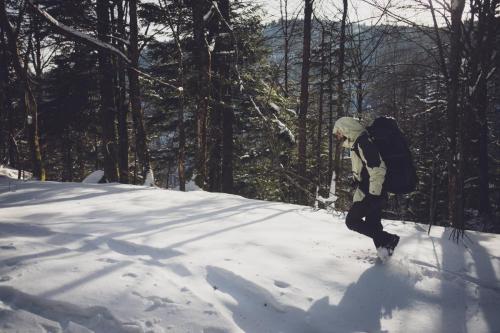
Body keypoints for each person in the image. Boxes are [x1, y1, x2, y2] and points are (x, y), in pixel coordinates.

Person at [333, 116, 399, 258]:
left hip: (374, 192)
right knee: (373, 223)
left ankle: (389, 240)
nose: (338, 137)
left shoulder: (363, 142)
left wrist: (374, 194)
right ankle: (385, 252)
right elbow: (365, 168)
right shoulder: (357, 144)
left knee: (351, 221)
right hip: (372, 190)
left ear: (345, 129)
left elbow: (377, 168)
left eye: (338, 132)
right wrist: (357, 180)